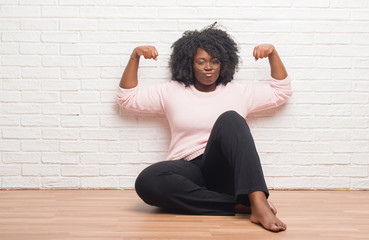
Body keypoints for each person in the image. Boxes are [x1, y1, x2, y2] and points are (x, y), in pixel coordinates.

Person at [116, 23, 292, 232]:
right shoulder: (172, 92)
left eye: (214, 61)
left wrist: (272, 53)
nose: (209, 67)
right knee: (147, 180)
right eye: (201, 62)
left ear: (223, 63)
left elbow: (281, 92)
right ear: (189, 64)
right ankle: (239, 205)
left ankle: (258, 200)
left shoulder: (238, 92)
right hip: (188, 168)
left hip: (223, 168)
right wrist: (135, 57)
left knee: (230, 119)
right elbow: (126, 98)